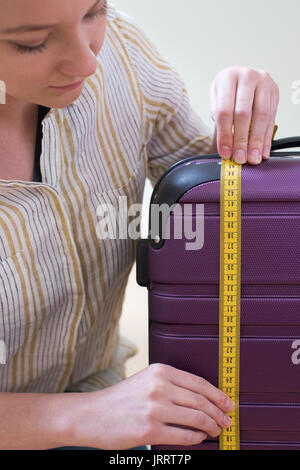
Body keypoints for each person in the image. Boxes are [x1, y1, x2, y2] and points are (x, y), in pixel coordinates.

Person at [0, 0, 279, 450]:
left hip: (108, 408)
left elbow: (211, 207)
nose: (89, 60)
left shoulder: (123, 54)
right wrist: (75, 417)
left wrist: (247, 122)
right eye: (33, 42)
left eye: (94, 11)